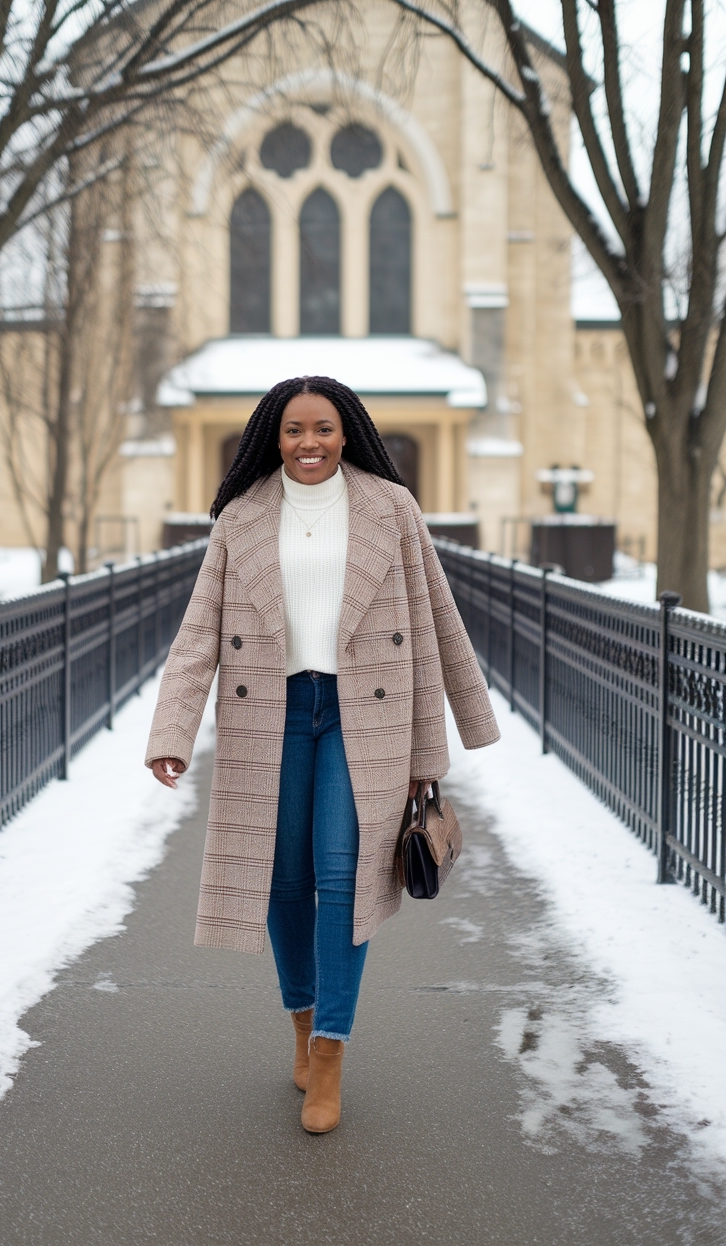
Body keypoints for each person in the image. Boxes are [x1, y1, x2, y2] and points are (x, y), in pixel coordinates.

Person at [146, 376, 499, 1134]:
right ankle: (303, 1026)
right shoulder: (239, 519)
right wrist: (171, 732)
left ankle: (332, 1054)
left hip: (361, 713)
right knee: (283, 881)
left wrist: (440, 741)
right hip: (270, 712)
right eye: (295, 430)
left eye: (325, 429)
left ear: (348, 434)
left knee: (343, 877)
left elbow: (438, 615)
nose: (310, 443)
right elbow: (199, 632)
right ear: (273, 436)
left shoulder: (390, 508)